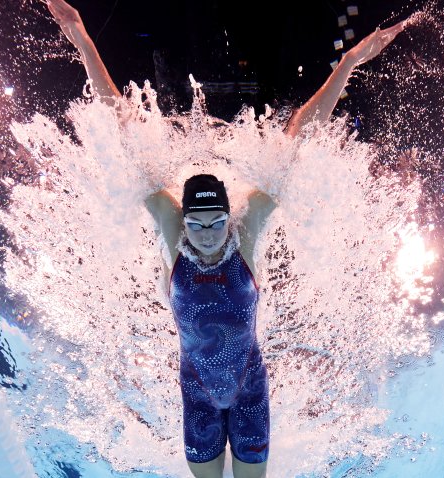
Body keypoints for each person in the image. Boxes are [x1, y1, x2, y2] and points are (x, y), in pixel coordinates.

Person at [45, 1, 408, 476]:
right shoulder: (174, 236)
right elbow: (125, 133)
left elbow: (296, 139)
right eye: (197, 224)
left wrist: (348, 63)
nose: (208, 234)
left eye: (217, 222)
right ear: (183, 220)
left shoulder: (245, 237)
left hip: (250, 393)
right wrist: (84, 42)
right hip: (195, 397)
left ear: (229, 217)